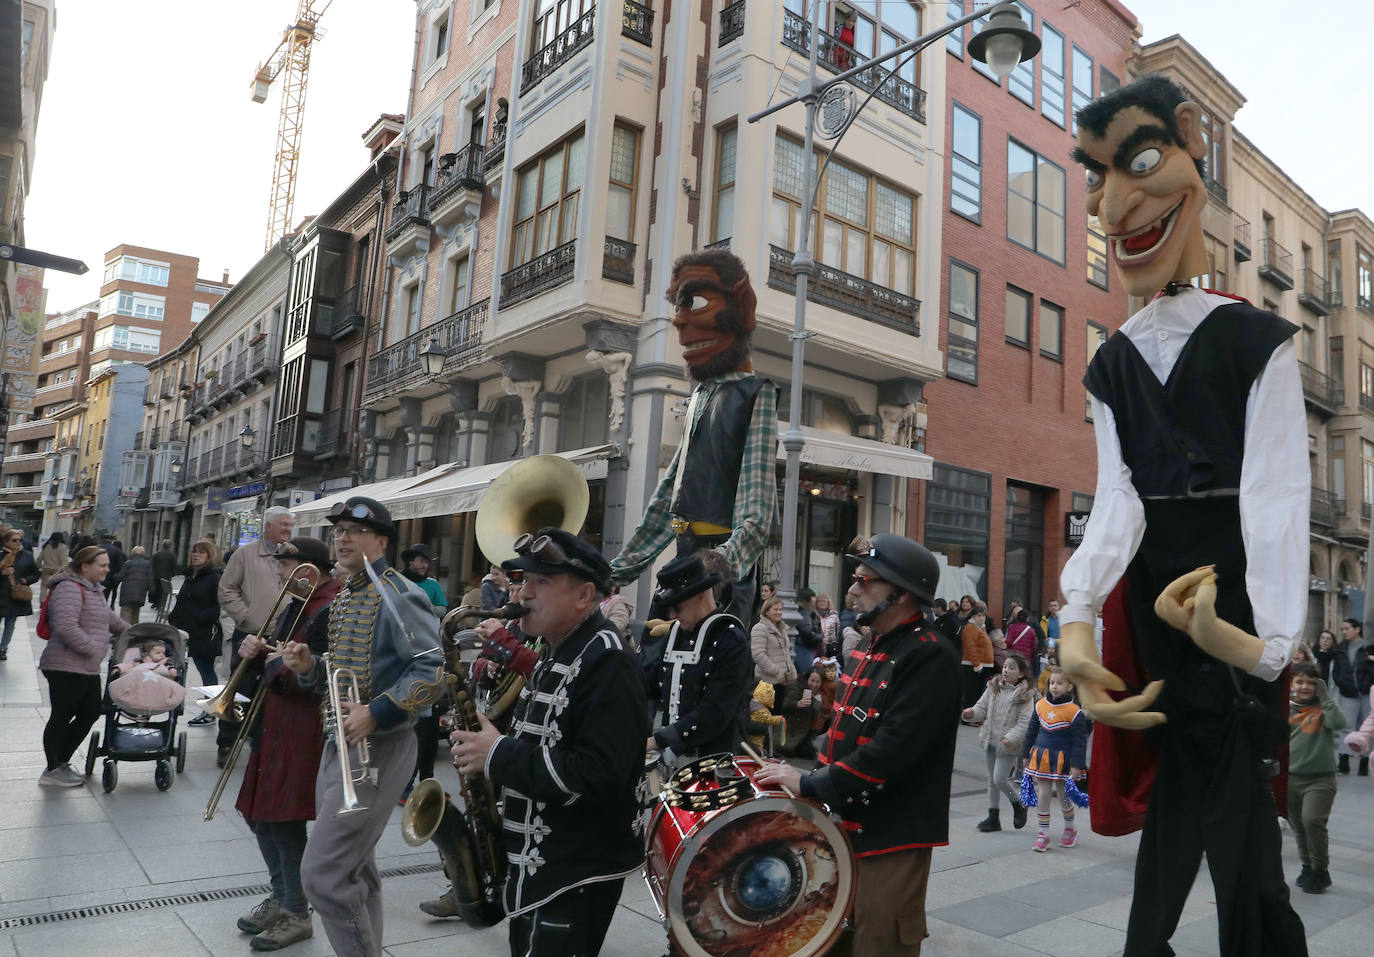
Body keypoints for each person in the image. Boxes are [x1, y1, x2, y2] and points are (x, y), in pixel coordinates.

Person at [1058, 74, 1311, 956]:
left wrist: (1259, 640)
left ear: (1191, 154)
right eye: (1095, 175)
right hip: (1163, 617)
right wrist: (1079, 620)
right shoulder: (1111, 365)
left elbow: (1276, 495)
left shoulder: (1255, 342)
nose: (1110, 203)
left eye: (1137, 160)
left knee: (1238, 837)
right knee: (1182, 826)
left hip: (1228, 601)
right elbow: (1117, 499)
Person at [757, 534, 960, 956]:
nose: (853, 589)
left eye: (866, 580)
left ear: (902, 594)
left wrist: (811, 783)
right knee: (829, 939)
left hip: (891, 833)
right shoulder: (869, 645)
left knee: (877, 942)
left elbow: (894, 751)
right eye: (855, 577)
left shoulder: (931, 654)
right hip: (843, 823)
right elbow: (842, 732)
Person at [450, 528, 647, 957]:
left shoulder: (607, 659)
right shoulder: (561, 648)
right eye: (523, 581)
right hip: (545, 865)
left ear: (584, 596)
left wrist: (497, 752)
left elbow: (598, 775)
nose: (523, 593)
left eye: (541, 583)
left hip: (574, 873)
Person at [280, 497, 443, 957]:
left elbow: (432, 671)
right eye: (339, 530)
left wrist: (377, 711)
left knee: (324, 875)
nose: (343, 538)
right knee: (355, 870)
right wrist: (310, 665)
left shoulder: (400, 594)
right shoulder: (349, 593)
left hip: (382, 746)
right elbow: (339, 672)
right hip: (339, 745)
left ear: (382, 541)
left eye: (355, 530)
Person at [610, 248, 778, 626]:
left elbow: (756, 512)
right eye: (676, 306)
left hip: (720, 583)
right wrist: (617, 570)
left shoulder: (755, 393)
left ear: (743, 307)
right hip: (686, 563)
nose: (678, 321)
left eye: (695, 301)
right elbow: (671, 501)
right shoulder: (702, 395)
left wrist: (720, 564)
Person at [234, 537, 341, 952]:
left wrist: (274, 662)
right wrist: (257, 652)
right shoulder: (298, 603)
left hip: (301, 725)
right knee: (259, 814)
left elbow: (323, 671)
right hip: (275, 721)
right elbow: (280, 657)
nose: (280, 574)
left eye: (287, 566)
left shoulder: (329, 608)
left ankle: (297, 911)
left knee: (282, 818)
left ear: (310, 569)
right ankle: (282, 896)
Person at [645, 552, 753, 761]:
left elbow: (716, 710)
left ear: (701, 594)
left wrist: (658, 740)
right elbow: (652, 683)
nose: (671, 616)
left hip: (714, 764)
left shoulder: (731, 639)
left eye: (677, 605)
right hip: (671, 760)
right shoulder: (675, 634)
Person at [37, 545, 129, 786]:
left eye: (107, 565)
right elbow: (66, 626)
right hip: (65, 665)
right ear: (85, 566)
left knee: (90, 712)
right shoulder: (68, 587)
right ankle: (53, 768)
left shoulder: (94, 590)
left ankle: (61, 762)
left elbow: (112, 620)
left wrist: (139, 634)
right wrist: (95, 649)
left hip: (84, 666)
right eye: (102, 565)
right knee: (62, 715)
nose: (107, 569)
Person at [218, 506, 296, 767]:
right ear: (268, 526)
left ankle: (258, 742)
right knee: (240, 687)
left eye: (290, 525)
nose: (288, 529)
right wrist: (245, 617)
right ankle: (227, 741)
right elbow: (227, 589)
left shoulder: (295, 556)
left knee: (272, 688)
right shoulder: (245, 554)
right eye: (283, 524)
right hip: (251, 632)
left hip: (281, 636)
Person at [1286, 661, 1345, 895]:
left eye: (1311, 682)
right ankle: (1307, 866)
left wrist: (1325, 696)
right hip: (1291, 778)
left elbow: (1339, 723)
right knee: (1298, 826)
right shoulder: (1285, 708)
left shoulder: (1325, 707)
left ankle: (1321, 869)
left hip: (1320, 779)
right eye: (1299, 681)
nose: (1304, 687)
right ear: (1291, 684)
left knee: (1312, 821)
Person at [963, 652, 1037, 832]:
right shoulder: (993, 687)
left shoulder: (1025, 695)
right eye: (1005, 666)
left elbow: (1025, 722)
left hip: (1008, 745)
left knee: (999, 779)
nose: (1006, 670)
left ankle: (1018, 804)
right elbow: (981, 708)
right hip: (990, 739)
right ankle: (993, 816)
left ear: (1021, 674)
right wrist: (972, 713)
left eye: (1012, 668)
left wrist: (1010, 737)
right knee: (991, 781)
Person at [1020, 668, 1090, 852]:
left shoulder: (1075, 712)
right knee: (1043, 793)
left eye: (1059, 683)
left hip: (1063, 761)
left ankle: (1069, 829)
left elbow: (1079, 742)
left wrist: (1076, 766)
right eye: (1052, 682)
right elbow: (1031, 732)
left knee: (1062, 795)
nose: (1054, 686)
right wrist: (1025, 754)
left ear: (1069, 686)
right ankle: (1043, 834)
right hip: (1042, 757)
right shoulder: (1040, 705)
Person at [171, 540, 225, 726]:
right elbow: (184, 601)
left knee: (207, 672)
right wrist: (174, 618)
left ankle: (212, 712)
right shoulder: (191, 575)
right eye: (194, 552)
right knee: (203, 670)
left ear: (209, 556)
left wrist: (199, 617)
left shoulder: (213, 577)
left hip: (205, 632)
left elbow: (218, 606)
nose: (196, 555)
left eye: (201, 553)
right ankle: (210, 710)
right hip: (189, 631)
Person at [1331, 617, 1373, 776]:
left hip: (1366, 692)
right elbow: (1336, 671)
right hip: (1348, 692)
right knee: (1346, 726)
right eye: (1342, 629)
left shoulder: (1367, 647)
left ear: (1357, 629)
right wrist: (1342, 683)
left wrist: (1368, 682)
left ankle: (1364, 760)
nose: (1344, 632)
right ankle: (1343, 761)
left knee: (1366, 727)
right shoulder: (1340, 648)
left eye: (1347, 628)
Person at [0, 525, 39, 661]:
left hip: (14, 595)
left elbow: (36, 574)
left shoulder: (27, 556)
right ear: (6, 542)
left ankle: (3, 649)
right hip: (0, 593)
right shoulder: (1, 555)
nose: (17, 543)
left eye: (19, 540)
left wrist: (26, 580)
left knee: (10, 623)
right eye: (14, 540)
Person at [750, 595, 795, 706]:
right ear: (767, 611)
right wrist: (775, 671)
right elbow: (758, 654)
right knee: (767, 716)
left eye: (780, 609)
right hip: (767, 681)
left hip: (782, 680)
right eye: (775, 609)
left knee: (779, 714)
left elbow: (785, 653)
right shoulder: (760, 628)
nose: (779, 612)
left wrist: (790, 671)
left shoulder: (782, 628)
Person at [960, 603, 995, 707]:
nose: (982, 618)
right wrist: (976, 664)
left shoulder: (980, 628)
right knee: (971, 693)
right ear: (973, 616)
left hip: (983, 665)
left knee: (978, 693)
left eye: (983, 615)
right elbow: (970, 648)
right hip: (973, 666)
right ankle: (968, 717)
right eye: (979, 615)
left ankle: (974, 716)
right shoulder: (970, 628)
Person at [400, 543, 447, 618]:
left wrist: (424, 607)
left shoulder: (433, 584)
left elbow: (442, 611)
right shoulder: (397, 581)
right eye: (422, 561)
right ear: (411, 561)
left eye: (427, 562)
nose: (425, 566)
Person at [118, 546, 153, 626]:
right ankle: (134, 633)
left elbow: (119, 577)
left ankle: (124, 633)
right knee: (135, 614)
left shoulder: (127, 563)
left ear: (132, 553)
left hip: (127, 594)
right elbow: (150, 579)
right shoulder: (148, 564)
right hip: (140, 594)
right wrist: (152, 591)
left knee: (125, 615)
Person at [793, 585, 822, 675]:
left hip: (804, 647)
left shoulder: (808, 613)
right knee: (806, 673)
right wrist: (820, 638)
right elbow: (807, 632)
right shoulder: (804, 613)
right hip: (803, 648)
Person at [1006, 607, 1038, 677]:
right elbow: (1033, 647)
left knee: (1012, 675)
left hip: (1013, 656)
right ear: (1027, 618)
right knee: (1024, 675)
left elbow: (1008, 642)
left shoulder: (1011, 628)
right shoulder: (1031, 630)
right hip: (1026, 657)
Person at [37, 531, 68, 601]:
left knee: (44, 587)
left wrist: (39, 567)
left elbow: (39, 558)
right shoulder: (63, 547)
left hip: (46, 569)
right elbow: (64, 562)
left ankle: (42, 601)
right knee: (55, 588)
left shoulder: (46, 545)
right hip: (57, 571)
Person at [150, 538, 177, 612]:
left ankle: (155, 603)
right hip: (166, 576)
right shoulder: (172, 555)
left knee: (157, 589)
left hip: (156, 575)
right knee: (163, 591)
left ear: (162, 545)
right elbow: (174, 566)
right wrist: (172, 574)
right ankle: (161, 604)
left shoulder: (157, 554)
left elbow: (152, 564)